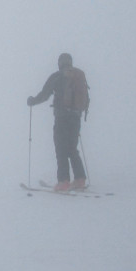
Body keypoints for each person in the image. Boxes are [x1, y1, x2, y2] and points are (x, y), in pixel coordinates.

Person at [27, 53, 88, 191]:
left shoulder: (57, 76)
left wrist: (32, 101)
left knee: (61, 149)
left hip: (62, 118)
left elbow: (44, 94)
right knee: (72, 148)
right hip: (76, 117)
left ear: (59, 63)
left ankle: (63, 181)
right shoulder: (78, 76)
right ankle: (80, 179)